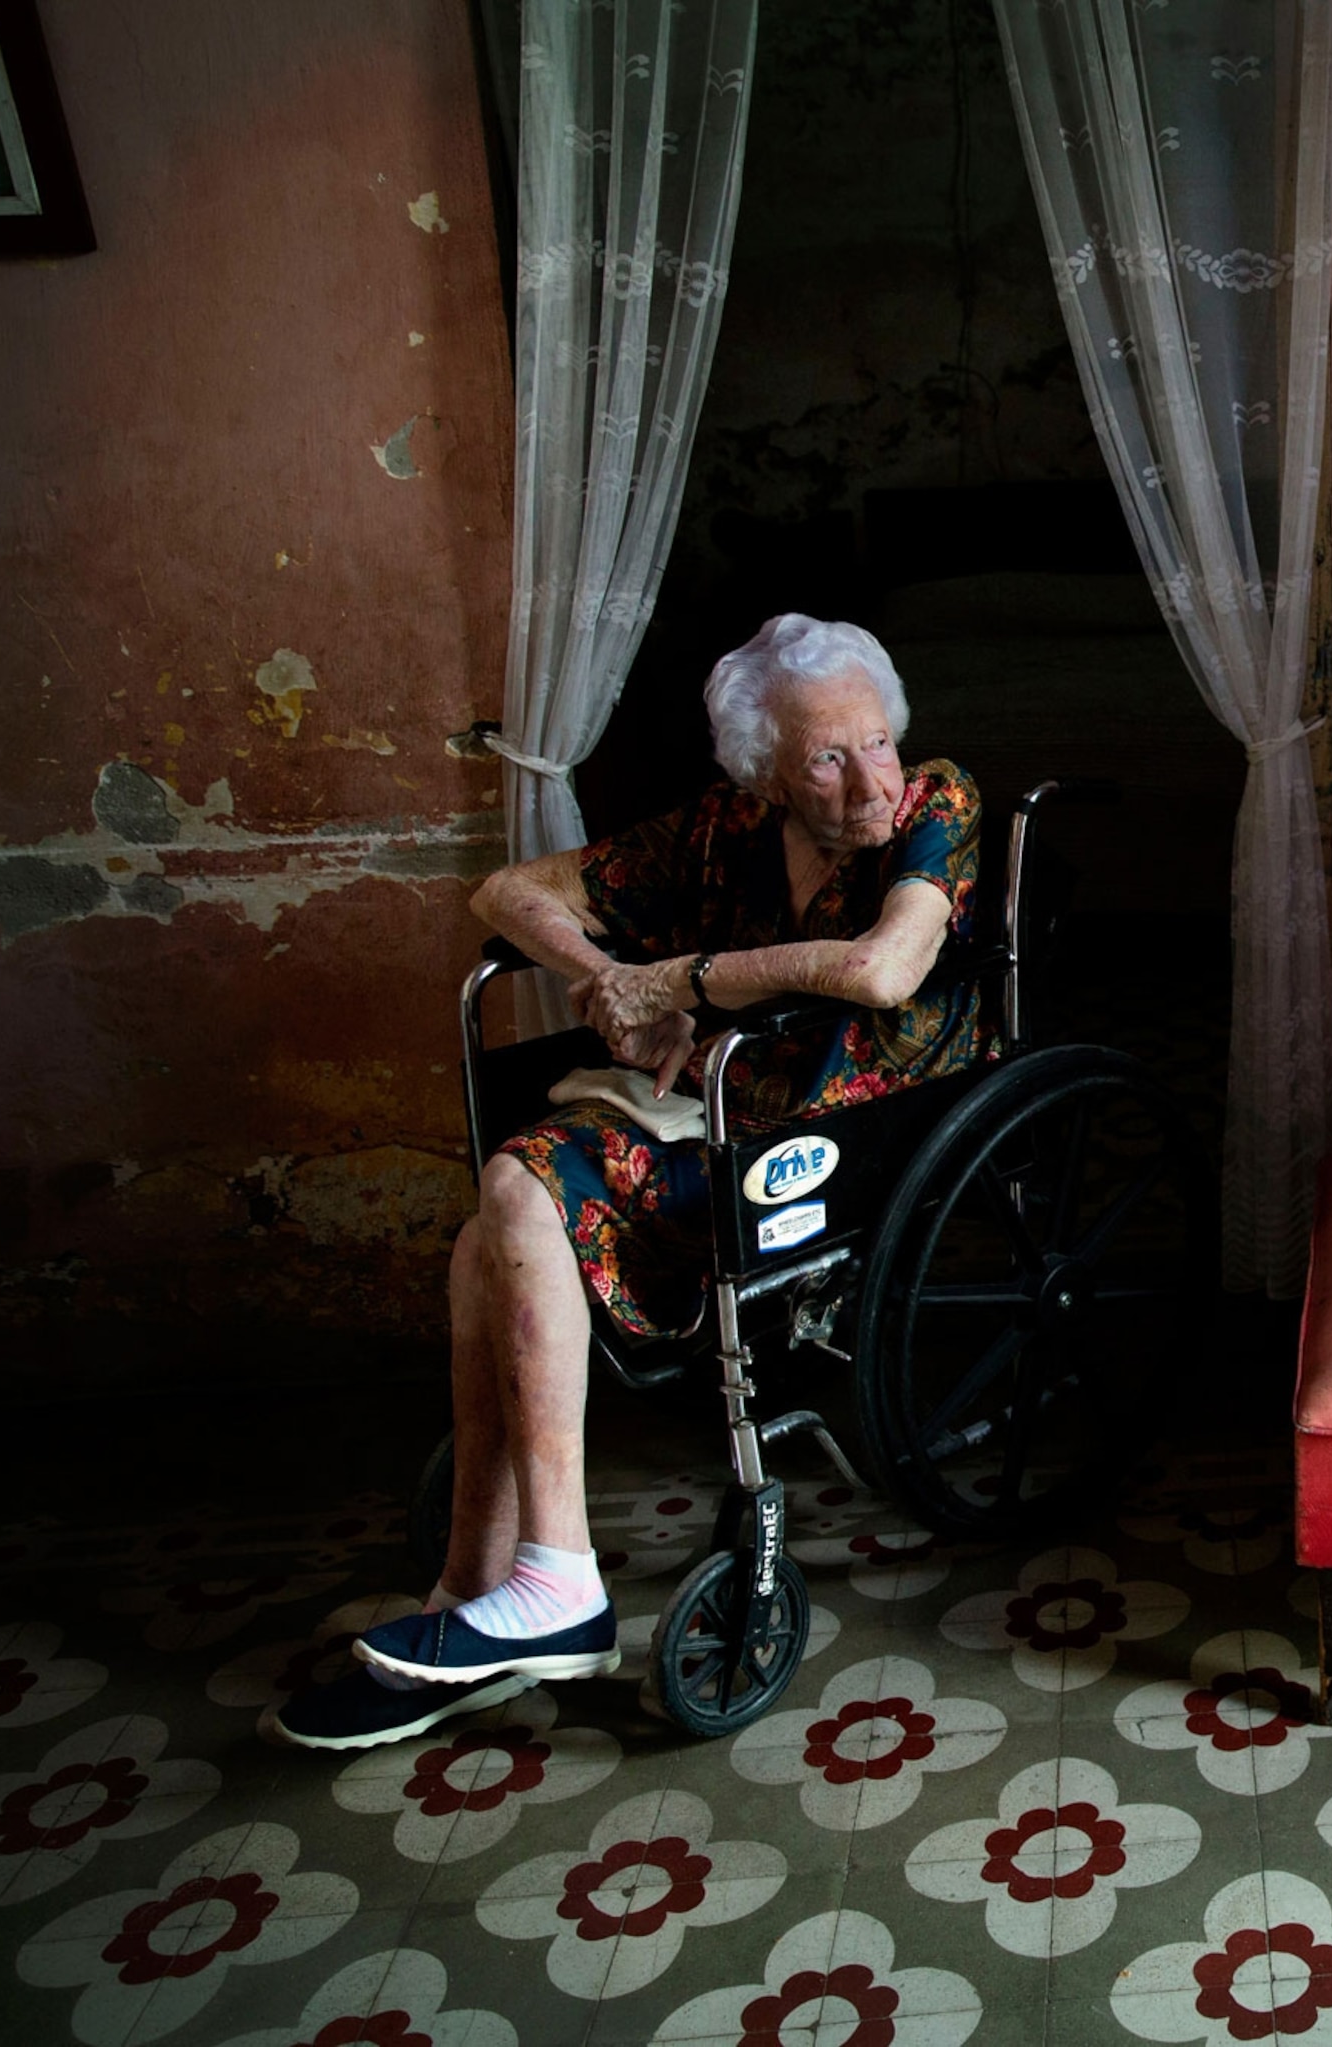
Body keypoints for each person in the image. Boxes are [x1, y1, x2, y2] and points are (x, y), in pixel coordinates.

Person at [272, 615, 984, 1749]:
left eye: (879, 741)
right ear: (766, 772)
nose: (870, 782)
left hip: (857, 1121)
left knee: (515, 1192)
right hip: (715, 1112)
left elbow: (884, 969)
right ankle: (486, 1589)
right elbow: (508, 892)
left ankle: (537, 1582)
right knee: (495, 1227)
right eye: (827, 759)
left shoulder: (935, 804)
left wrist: (680, 981)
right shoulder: (724, 828)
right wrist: (610, 979)